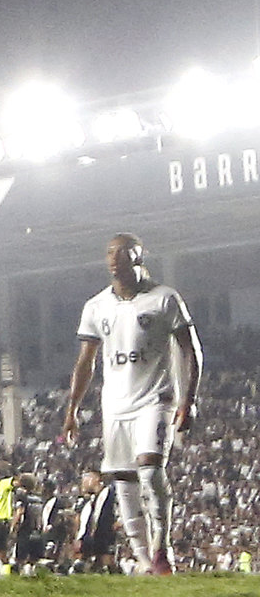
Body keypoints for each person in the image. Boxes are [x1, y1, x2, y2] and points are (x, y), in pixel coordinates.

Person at [61, 233, 201, 575]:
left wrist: (188, 399)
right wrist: (72, 409)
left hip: (156, 399)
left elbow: (190, 350)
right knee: (124, 483)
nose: (113, 259)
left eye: (121, 254)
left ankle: (161, 549)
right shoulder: (96, 306)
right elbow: (85, 362)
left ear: (137, 257)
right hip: (115, 406)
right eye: (110, 253)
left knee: (151, 471)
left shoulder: (164, 299)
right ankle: (143, 561)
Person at [75, 469, 119, 573]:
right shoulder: (91, 500)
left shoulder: (109, 492)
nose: (83, 482)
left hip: (106, 538)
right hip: (95, 540)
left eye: (86, 478)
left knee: (106, 563)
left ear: (95, 479)